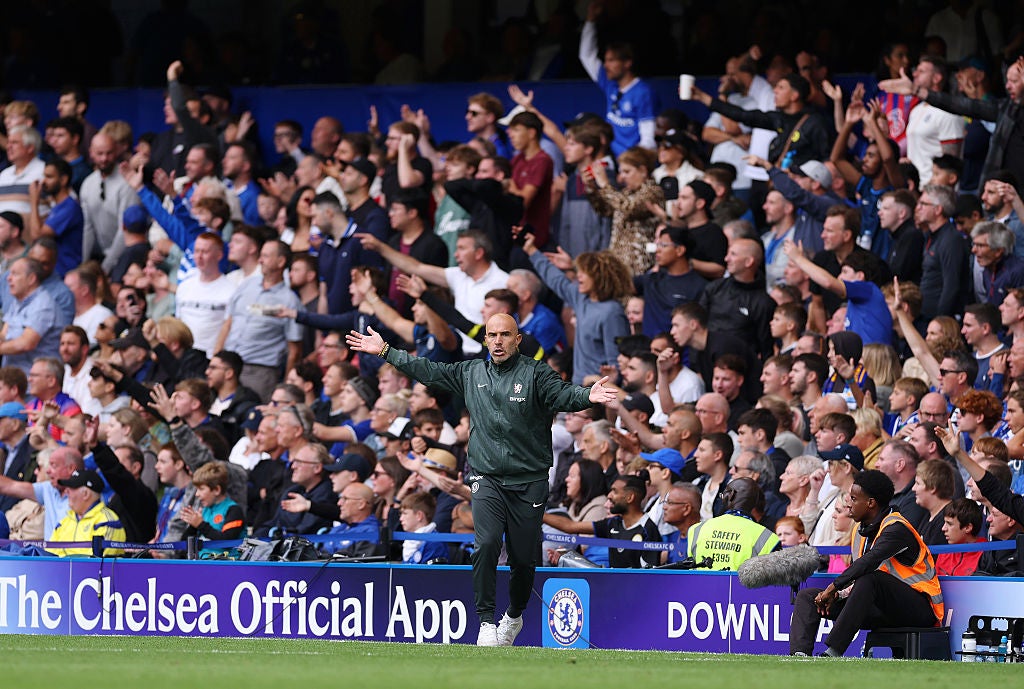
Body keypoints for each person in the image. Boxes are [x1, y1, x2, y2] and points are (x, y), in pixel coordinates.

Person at [346, 312, 617, 647]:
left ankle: (514, 615)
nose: (498, 341)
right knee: (487, 543)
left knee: (522, 558)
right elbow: (428, 370)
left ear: (518, 339)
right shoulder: (470, 371)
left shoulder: (535, 373)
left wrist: (587, 395)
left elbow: (563, 394)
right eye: (492, 335)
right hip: (486, 476)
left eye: (505, 334)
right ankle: (486, 621)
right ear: (485, 339)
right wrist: (387, 350)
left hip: (529, 480)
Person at [789, 469, 943, 657]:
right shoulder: (859, 531)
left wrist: (834, 587)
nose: (849, 504)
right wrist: (837, 594)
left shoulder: (897, 528)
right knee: (808, 596)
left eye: (854, 499)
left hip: (919, 611)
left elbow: (869, 563)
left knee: (871, 578)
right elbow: (858, 580)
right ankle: (799, 655)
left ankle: (833, 652)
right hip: (881, 608)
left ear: (870, 503)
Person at [687, 477, 781, 570]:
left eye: (722, 495)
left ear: (731, 495)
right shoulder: (768, 538)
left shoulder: (696, 530)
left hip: (702, 585)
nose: (721, 499)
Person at [49, 468, 126, 557]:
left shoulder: (107, 521)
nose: (66, 491)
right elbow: (49, 556)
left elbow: (100, 562)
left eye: (72, 488)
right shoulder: (63, 523)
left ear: (85, 494)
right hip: (61, 570)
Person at [179, 461, 245, 542]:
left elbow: (227, 541)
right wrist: (193, 525)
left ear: (217, 490)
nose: (197, 494)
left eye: (201, 489)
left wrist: (200, 524)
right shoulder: (204, 511)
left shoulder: (234, 510)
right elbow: (184, 545)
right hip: (202, 555)